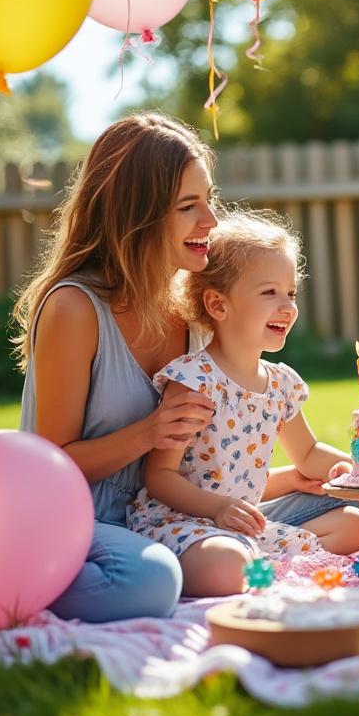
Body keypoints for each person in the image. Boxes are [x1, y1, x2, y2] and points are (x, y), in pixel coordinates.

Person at [14, 113, 216, 622]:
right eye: (189, 207)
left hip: (165, 519)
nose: (210, 221)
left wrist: (310, 477)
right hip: (76, 520)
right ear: (138, 216)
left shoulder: (193, 310)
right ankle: (10, 569)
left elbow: (208, 471)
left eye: (208, 200)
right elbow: (50, 465)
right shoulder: (75, 309)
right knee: (149, 581)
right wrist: (149, 432)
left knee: (351, 508)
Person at [128, 211, 359, 597]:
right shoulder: (195, 381)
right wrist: (216, 508)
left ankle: (266, 571)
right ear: (218, 304)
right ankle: (261, 570)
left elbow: (307, 453)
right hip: (187, 523)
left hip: (244, 524)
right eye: (269, 293)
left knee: (356, 524)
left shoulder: (280, 384)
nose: (287, 306)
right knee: (226, 566)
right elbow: (159, 477)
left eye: (290, 293)